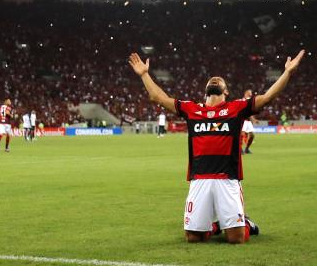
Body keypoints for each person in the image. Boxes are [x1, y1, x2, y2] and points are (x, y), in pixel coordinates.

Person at [128, 49, 304, 244]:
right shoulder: (192, 109)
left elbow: (267, 97)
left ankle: (244, 224)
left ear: (226, 91)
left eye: (219, 81)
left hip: (227, 179)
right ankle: (217, 225)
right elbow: (158, 97)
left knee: (236, 239)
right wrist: (144, 74)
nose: (214, 80)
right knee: (194, 238)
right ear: (205, 90)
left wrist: (287, 72)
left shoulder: (236, 108)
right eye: (211, 80)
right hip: (199, 179)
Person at [241, 89, 256, 154]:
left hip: (248, 121)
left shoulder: (250, 101)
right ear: (246, 93)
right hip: (243, 120)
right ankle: (240, 149)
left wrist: (253, 119)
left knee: (252, 135)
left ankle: (247, 149)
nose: (251, 94)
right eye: (250, 93)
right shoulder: (243, 101)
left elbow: (250, 112)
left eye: (251, 93)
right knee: (241, 135)